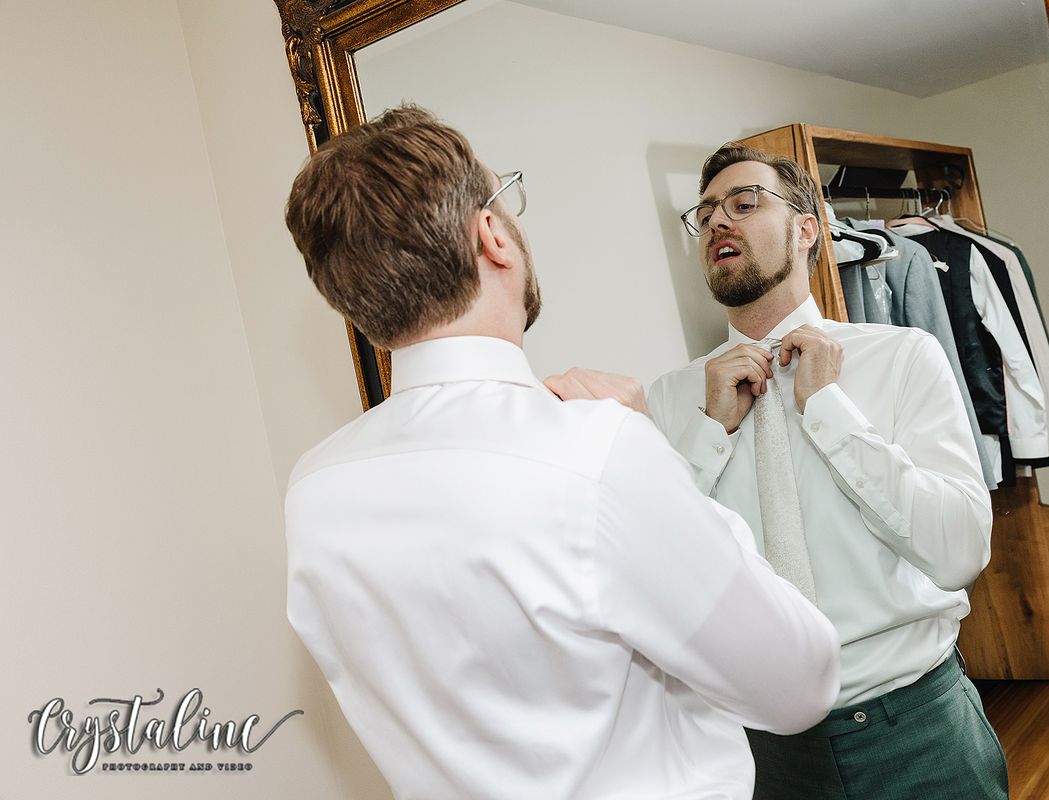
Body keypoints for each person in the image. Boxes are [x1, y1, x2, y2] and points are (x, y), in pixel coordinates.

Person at [281, 106, 839, 800]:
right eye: (503, 197)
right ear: (493, 236)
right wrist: (651, 457)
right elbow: (800, 682)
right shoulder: (597, 451)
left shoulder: (314, 490)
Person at [647, 143, 1007, 799]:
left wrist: (831, 413)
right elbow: (658, 576)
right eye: (704, 215)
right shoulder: (673, 399)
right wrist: (709, 436)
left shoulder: (903, 358)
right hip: (763, 752)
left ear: (807, 228)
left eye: (744, 203)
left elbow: (958, 552)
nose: (718, 222)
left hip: (918, 728)